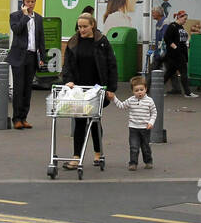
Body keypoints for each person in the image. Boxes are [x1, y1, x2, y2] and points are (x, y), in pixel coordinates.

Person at [60, 12, 118, 170]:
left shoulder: (102, 42)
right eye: (79, 27)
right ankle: (76, 157)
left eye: (85, 26)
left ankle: (98, 153)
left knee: (95, 121)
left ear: (92, 25)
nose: (82, 30)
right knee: (79, 122)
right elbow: (67, 66)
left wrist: (111, 88)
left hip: (97, 88)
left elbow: (111, 65)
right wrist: (68, 80)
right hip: (79, 88)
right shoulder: (73, 42)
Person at [7, 0, 45, 129]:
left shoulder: (39, 18)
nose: (30, 4)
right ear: (23, 3)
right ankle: (16, 118)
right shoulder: (15, 16)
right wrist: (24, 16)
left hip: (32, 56)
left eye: (32, 2)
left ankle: (24, 117)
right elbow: (16, 30)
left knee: (28, 89)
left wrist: (42, 58)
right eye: (27, 2)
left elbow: (41, 39)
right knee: (19, 88)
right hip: (18, 57)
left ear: (35, 3)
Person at [114, 74, 157, 171]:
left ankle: (148, 161)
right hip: (133, 128)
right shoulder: (131, 100)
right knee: (134, 146)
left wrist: (151, 122)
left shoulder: (149, 101)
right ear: (133, 91)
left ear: (146, 89)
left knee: (145, 146)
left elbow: (154, 113)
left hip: (145, 128)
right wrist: (114, 98)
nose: (139, 92)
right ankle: (133, 163)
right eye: (136, 90)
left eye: (141, 89)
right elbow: (121, 105)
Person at [162, 10, 197, 97]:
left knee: (169, 73)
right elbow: (167, 38)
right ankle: (187, 92)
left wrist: (186, 46)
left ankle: (156, 89)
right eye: (184, 19)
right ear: (179, 17)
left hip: (180, 54)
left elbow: (181, 40)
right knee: (183, 73)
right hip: (175, 54)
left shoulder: (181, 27)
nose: (185, 21)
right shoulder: (172, 26)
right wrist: (175, 47)